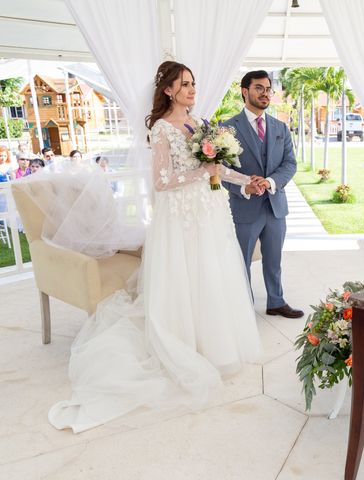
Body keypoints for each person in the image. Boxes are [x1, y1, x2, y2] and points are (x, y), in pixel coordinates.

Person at [47, 60, 262, 433]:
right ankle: (185, 345)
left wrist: (246, 182)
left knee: (211, 276)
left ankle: (215, 345)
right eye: (185, 84)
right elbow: (162, 182)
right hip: (180, 218)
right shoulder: (162, 129)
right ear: (168, 90)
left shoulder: (201, 123)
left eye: (194, 82)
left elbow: (220, 167)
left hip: (209, 212)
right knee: (187, 277)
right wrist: (203, 173)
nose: (193, 89)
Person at [222, 70, 303, 319]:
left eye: (268, 88)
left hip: (275, 205)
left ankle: (276, 301)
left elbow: (290, 164)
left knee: (274, 259)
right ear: (245, 91)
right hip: (245, 206)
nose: (265, 93)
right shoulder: (227, 128)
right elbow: (222, 170)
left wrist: (269, 182)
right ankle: (243, 305)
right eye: (259, 88)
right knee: (241, 260)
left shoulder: (280, 127)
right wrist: (244, 186)